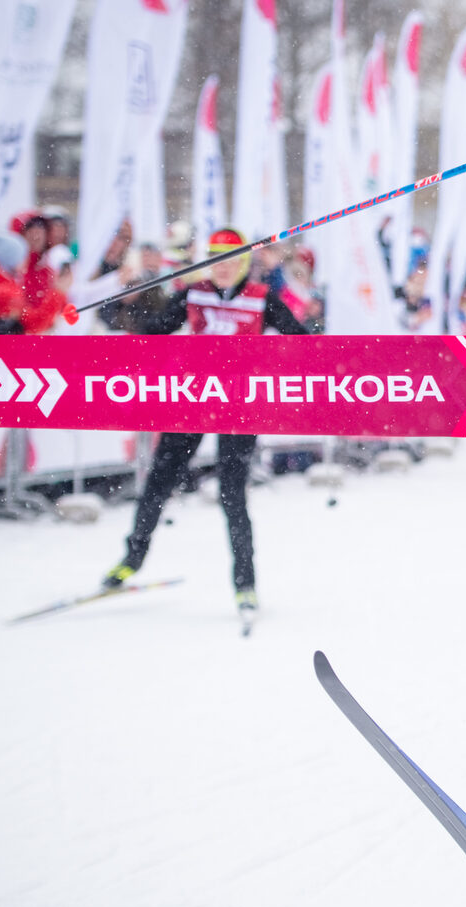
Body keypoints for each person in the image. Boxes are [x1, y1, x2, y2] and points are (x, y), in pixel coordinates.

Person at [99, 228, 315, 628]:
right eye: (217, 260)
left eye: (232, 260)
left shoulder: (260, 298)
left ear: (244, 264)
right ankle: (132, 559)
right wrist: (123, 308)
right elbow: (153, 331)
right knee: (159, 481)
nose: (224, 268)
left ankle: (245, 583)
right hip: (194, 401)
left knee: (233, 494)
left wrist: (311, 337)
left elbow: (302, 342)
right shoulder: (192, 293)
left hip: (238, 407)